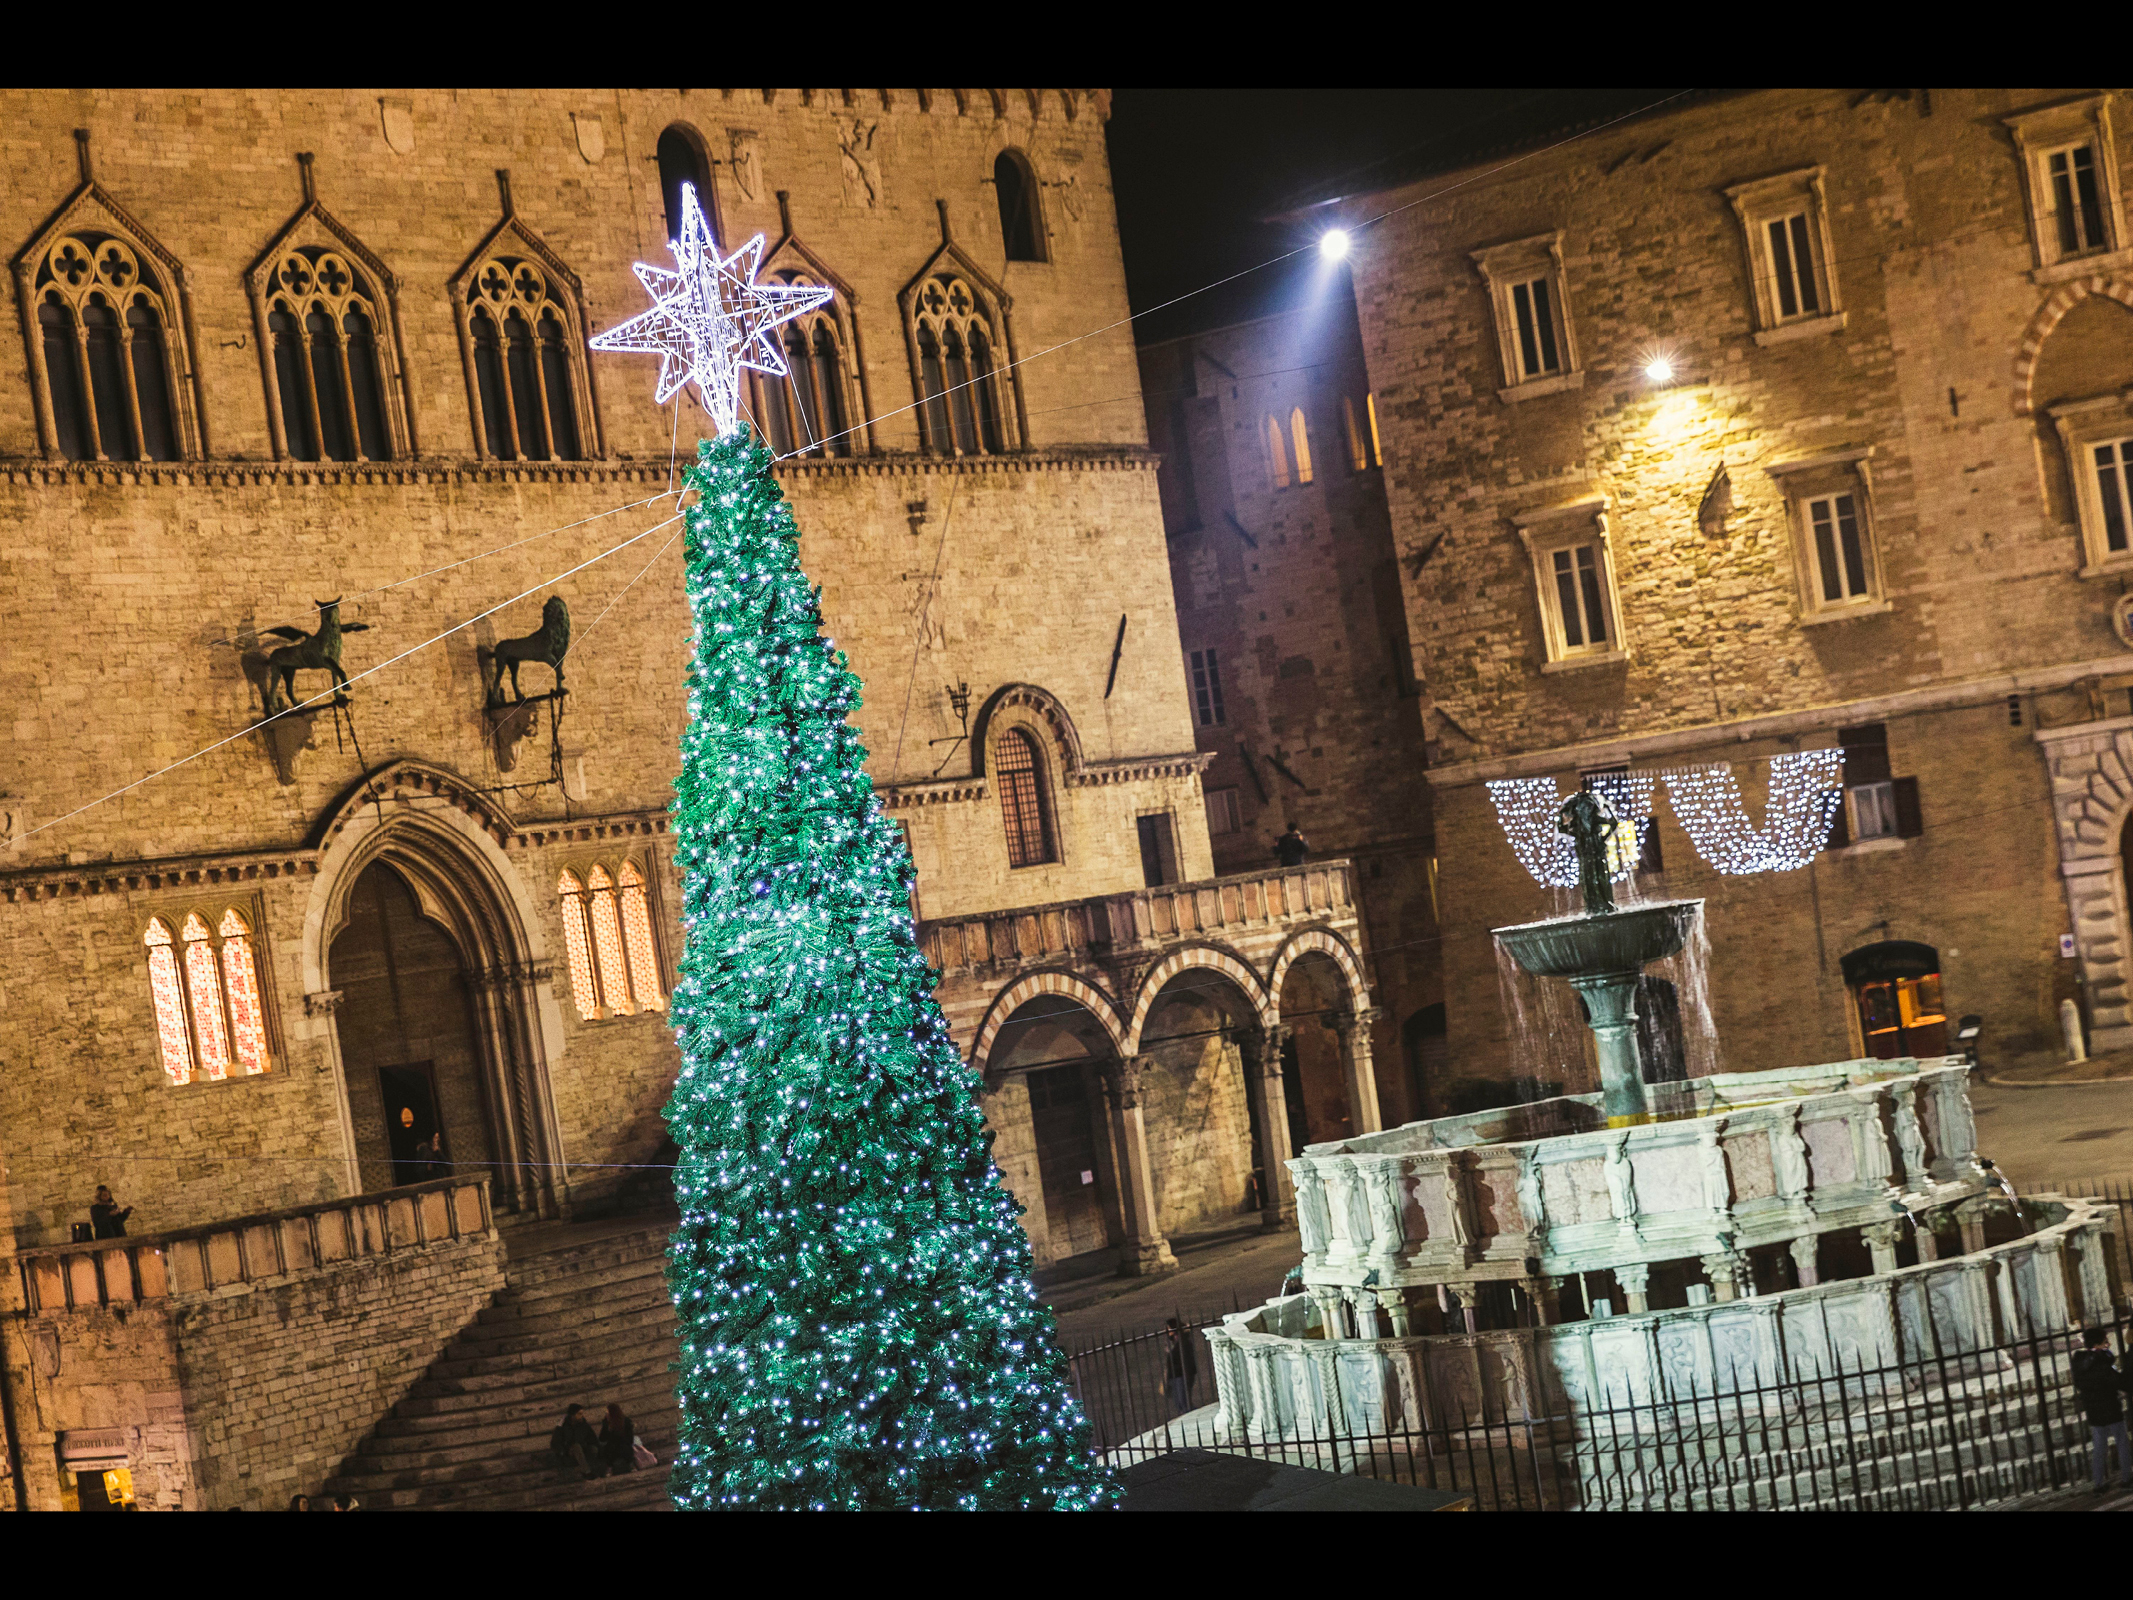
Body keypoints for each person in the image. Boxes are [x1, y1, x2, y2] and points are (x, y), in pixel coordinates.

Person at [2073, 1329, 2131, 1494]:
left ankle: (2098, 1483)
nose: (2109, 1344)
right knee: (2122, 1442)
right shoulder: (2102, 1361)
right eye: (2106, 1342)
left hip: (2093, 1410)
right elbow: (2117, 1382)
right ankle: (2126, 1478)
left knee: (2099, 1447)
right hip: (2110, 1408)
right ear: (2098, 1344)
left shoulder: (2079, 1361)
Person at [549, 1403, 599, 1480]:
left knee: (593, 1449)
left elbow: (592, 1438)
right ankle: (587, 1472)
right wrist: (563, 1452)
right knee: (576, 1446)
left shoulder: (583, 1425)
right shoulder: (563, 1427)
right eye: (579, 1414)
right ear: (572, 1415)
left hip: (583, 1450)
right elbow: (555, 1442)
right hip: (569, 1453)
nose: (581, 1416)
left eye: (582, 1413)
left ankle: (585, 1467)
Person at [1163, 1318, 1199, 1418]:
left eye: (1169, 1328)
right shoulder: (1174, 1342)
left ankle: (1194, 1418)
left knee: (1184, 1403)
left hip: (1181, 1375)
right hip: (1174, 1376)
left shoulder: (1183, 1342)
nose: (1167, 1331)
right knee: (1179, 1403)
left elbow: (1184, 1359)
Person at [597, 1402, 636, 1475]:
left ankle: (631, 1464)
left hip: (624, 1444)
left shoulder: (625, 1421)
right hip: (612, 1445)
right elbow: (602, 1438)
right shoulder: (606, 1423)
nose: (606, 1414)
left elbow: (630, 1439)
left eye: (608, 1412)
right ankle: (609, 1467)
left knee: (624, 1447)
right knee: (611, 1447)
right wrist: (607, 1429)